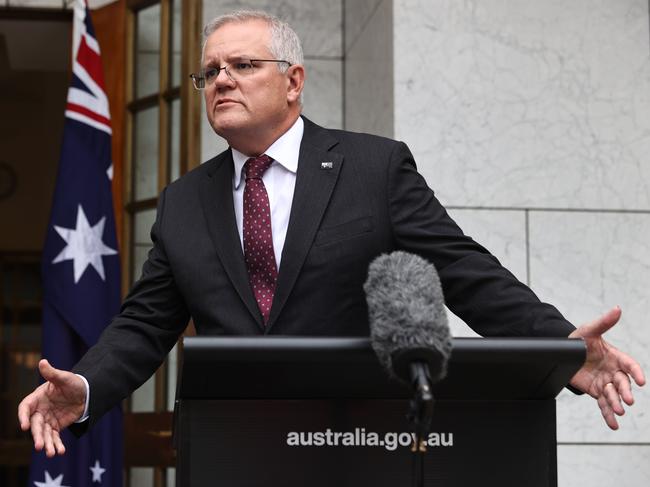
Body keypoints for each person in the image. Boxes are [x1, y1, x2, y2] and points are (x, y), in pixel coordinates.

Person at [18, 10, 645, 458]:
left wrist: (560, 348)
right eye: (209, 72)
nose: (222, 80)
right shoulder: (184, 202)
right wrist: (89, 384)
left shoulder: (373, 168)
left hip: (356, 440)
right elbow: (144, 323)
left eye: (242, 64)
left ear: (293, 81)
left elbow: (464, 272)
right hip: (232, 448)